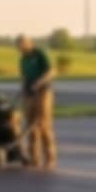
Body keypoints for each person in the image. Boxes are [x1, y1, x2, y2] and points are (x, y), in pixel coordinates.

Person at [16, 35, 57, 168]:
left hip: (43, 91)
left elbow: (51, 71)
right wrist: (23, 90)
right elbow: (24, 76)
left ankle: (50, 158)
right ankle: (34, 157)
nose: (20, 48)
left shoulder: (39, 54)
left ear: (29, 43)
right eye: (18, 46)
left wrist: (38, 83)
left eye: (22, 44)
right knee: (30, 126)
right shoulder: (23, 58)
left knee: (44, 124)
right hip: (29, 92)